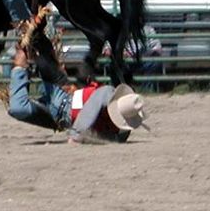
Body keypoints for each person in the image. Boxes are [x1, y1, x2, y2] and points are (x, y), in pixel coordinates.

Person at [8, 45, 148, 143]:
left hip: (59, 119)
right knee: (35, 51)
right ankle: (23, 61)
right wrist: (76, 134)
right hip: (61, 96)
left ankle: (19, 69)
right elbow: (91, 108)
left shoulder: (121, 134)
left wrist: (78, 134)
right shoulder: (107, 93)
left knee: (17, 109)